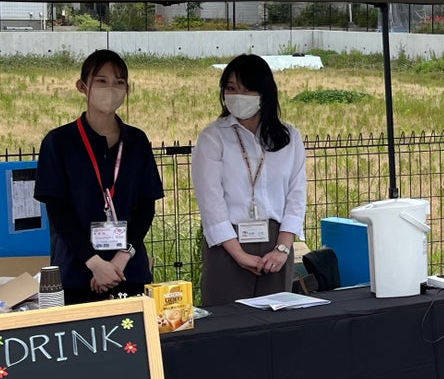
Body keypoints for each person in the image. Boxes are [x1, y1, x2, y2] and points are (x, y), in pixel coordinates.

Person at [34, 50, 165, 304]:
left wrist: (120, 259)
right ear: (82, 87)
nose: (111, 88)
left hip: (128, 271)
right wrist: (95, 264)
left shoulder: (137, 141)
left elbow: (147, 207)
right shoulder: (59, 142)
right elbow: (58, 212)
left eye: (119, 82)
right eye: (101, 81)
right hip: (75, 273)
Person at [192, 54, 308, 307]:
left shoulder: (289, 137)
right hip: (226, 242)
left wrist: (282, 249)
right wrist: (238, 254)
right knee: (228, 321)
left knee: (274, 321)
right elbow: (210, 201)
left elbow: (297, 195)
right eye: (231, 88)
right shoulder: (213, 137)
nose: (237, 95)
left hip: (276, 240)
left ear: (264, 92)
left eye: (246, 89)